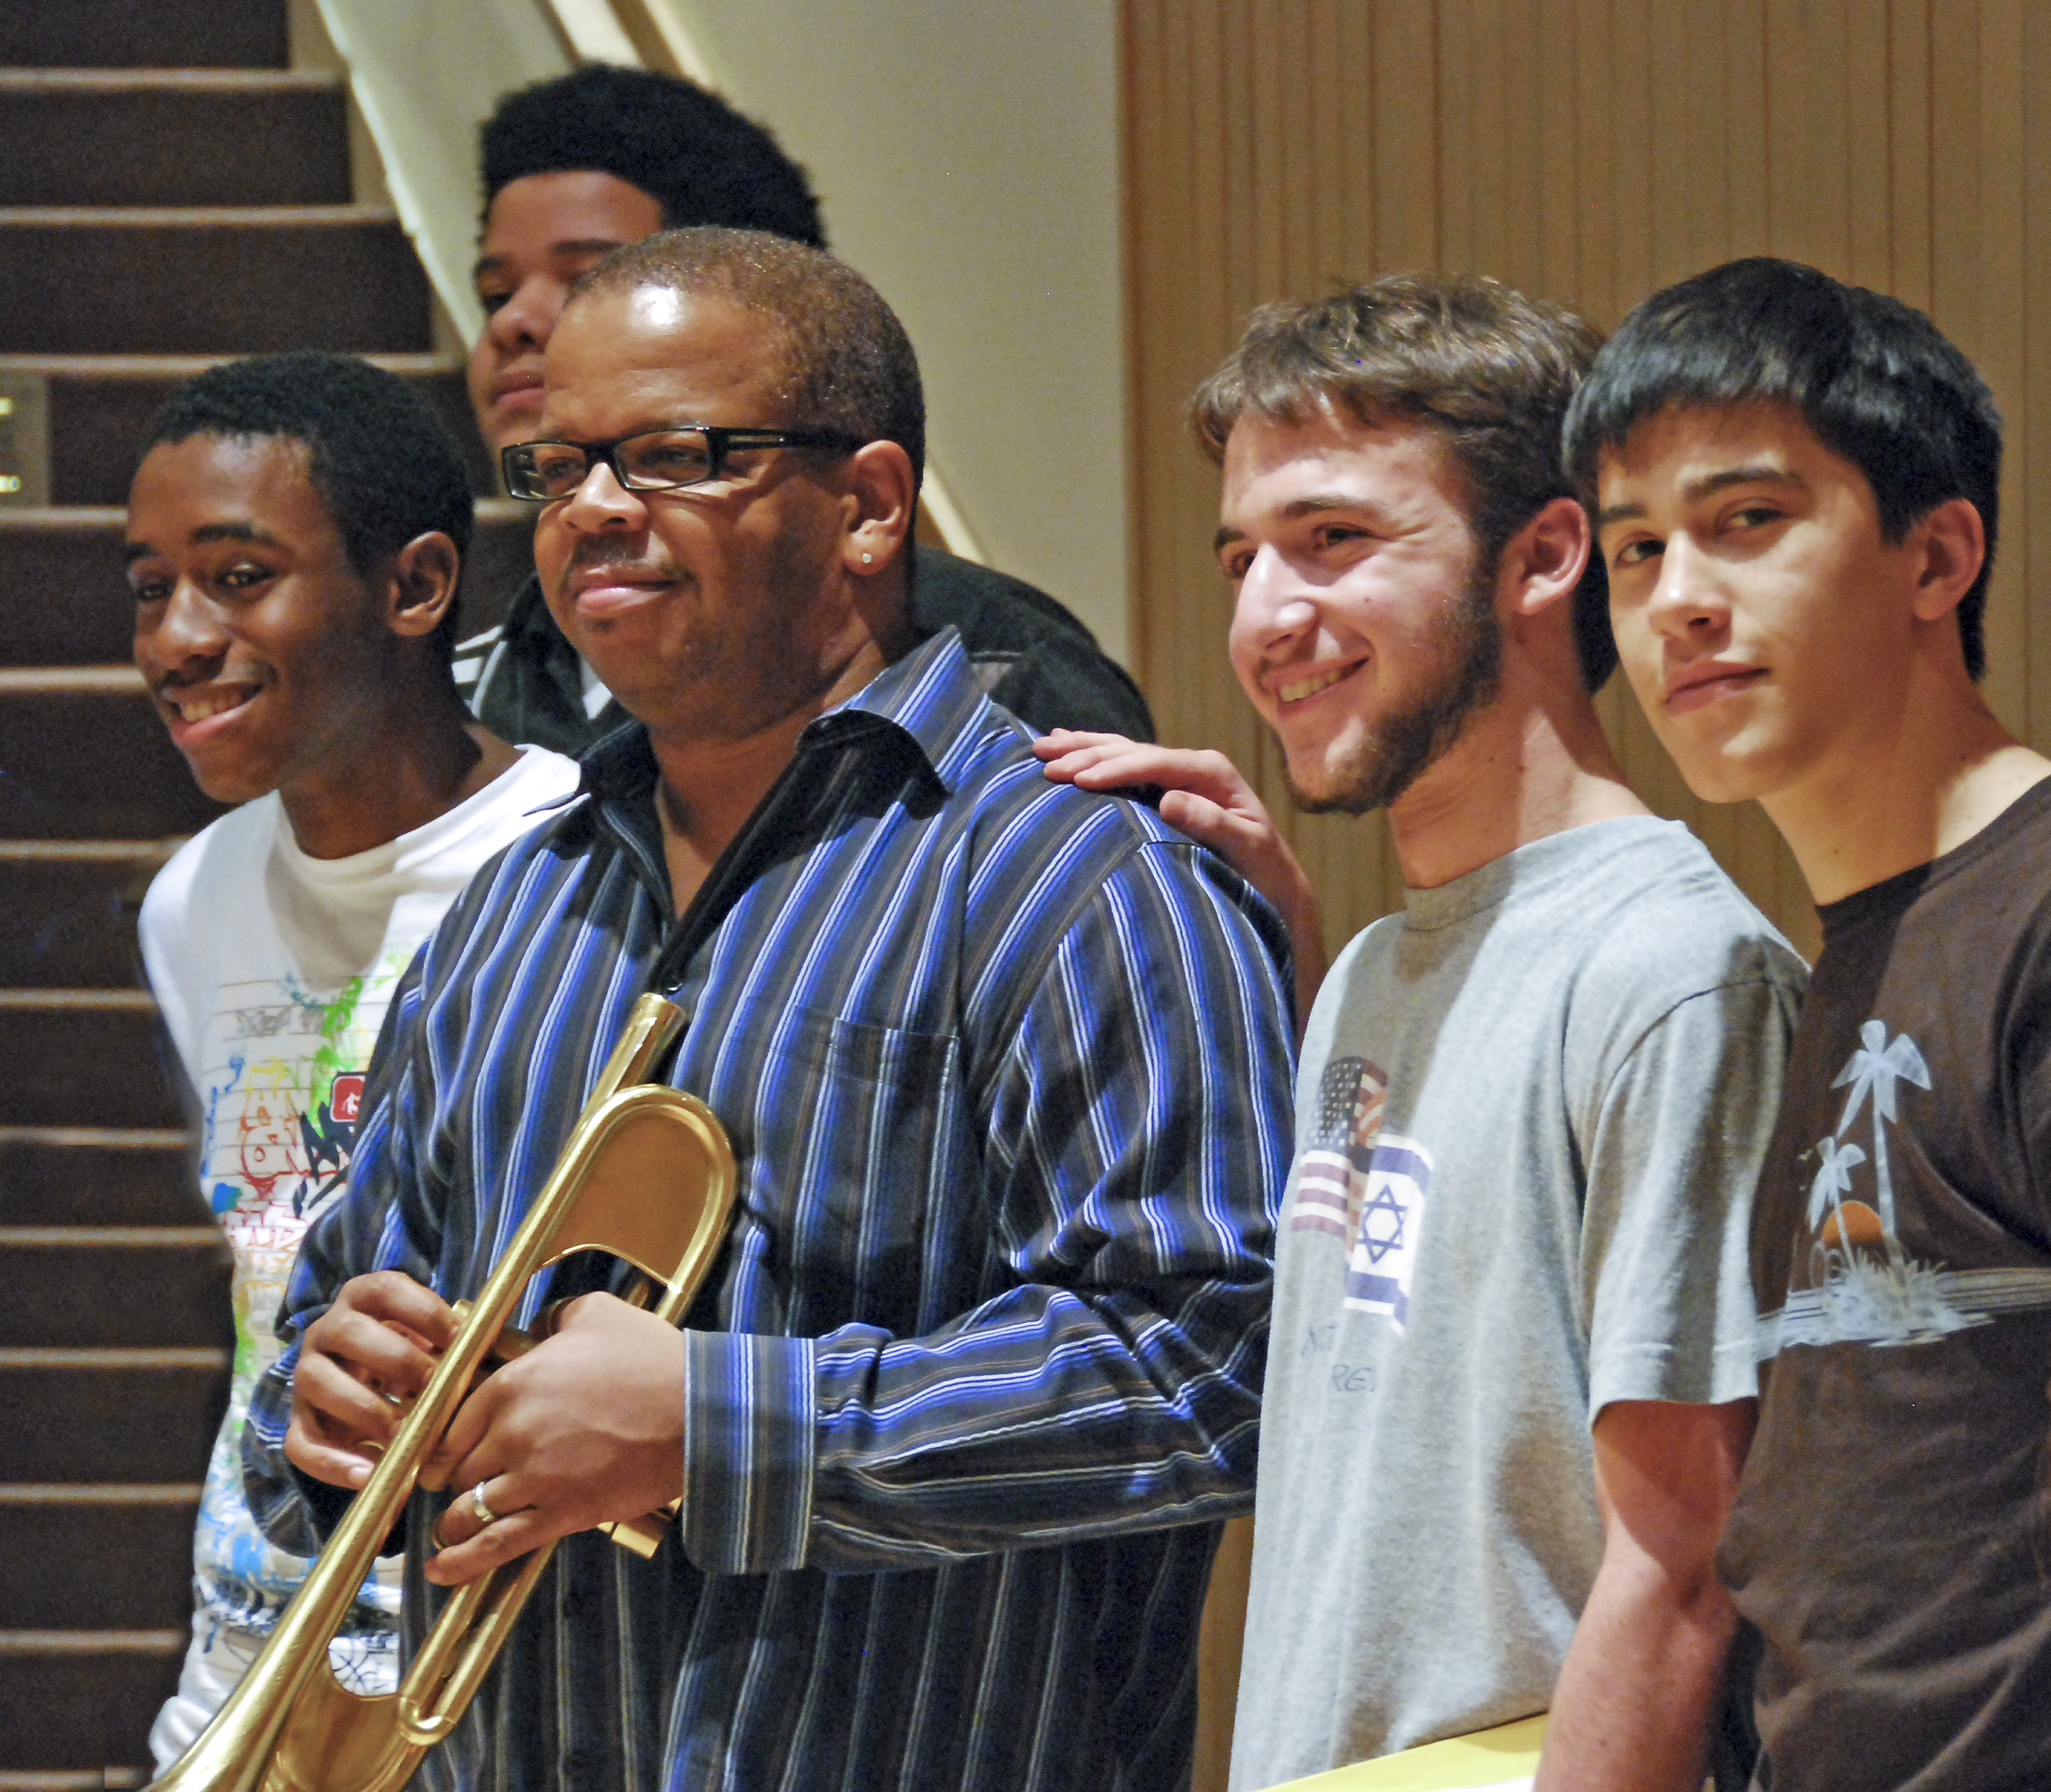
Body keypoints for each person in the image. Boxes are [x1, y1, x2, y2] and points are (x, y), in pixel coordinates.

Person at [241, 228, 1294, 1791]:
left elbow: (1210, 1366)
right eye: (558, 469)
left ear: (866, 505)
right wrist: (326, 1412)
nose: (596, 509)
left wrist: (712, 1425)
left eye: (673, 455)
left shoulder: (1084, 882)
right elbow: (323, 1359)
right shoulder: (509, 913)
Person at [1039, 273, 1806, 1791]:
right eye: (1243, 558)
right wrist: (1302, 959)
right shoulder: (1376, 966)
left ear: (1543, 555)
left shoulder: (1675, 967)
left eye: (1333, 541)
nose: (1268, 619)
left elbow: (1684, 1564)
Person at [1568, 256, 2051, 1792]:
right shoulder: (1839, 957)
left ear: (1938, 555)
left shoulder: (2034, 911)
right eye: (1635, 552)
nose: (1679, 598)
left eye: (1748, 521)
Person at [126, 351, 581, 1772]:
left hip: (498, 1686)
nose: (177, 638)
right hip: (245, 1685)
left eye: (239, 575)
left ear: (416, 586)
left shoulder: (578, 864)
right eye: (150, 586)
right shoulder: (190, 899)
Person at [455, 62, 1153, 751]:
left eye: (591, 281)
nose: (515, 321)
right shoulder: (471, 691)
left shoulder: (1001, 670)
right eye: (495, 293)